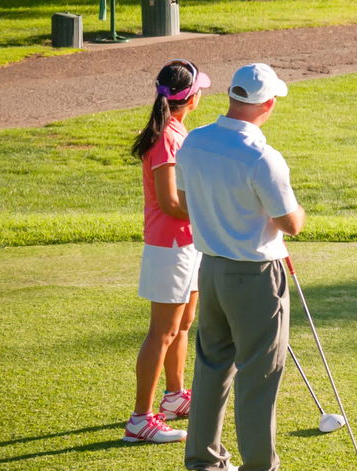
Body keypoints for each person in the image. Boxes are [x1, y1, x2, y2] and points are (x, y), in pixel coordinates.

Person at [177, 63, 305, 471]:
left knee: (212, 365)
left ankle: (203, 460)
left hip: (210, 270)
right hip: (256, 276)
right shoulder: (262, 157)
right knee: (260, 375)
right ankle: (258, 466)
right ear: (267, 104)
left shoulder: (194, 141)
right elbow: (291, 223)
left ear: (233, 96)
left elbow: (184, 197)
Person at [126, 60, 211, 444]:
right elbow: (170, 202)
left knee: (183, 324)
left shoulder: (176, 131)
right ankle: (140, 420)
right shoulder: (166, 140)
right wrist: (213, 212)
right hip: (170, 245)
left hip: (187, 243)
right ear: (190, 98)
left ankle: (175, 397)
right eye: (199, 90)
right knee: (162, 331)